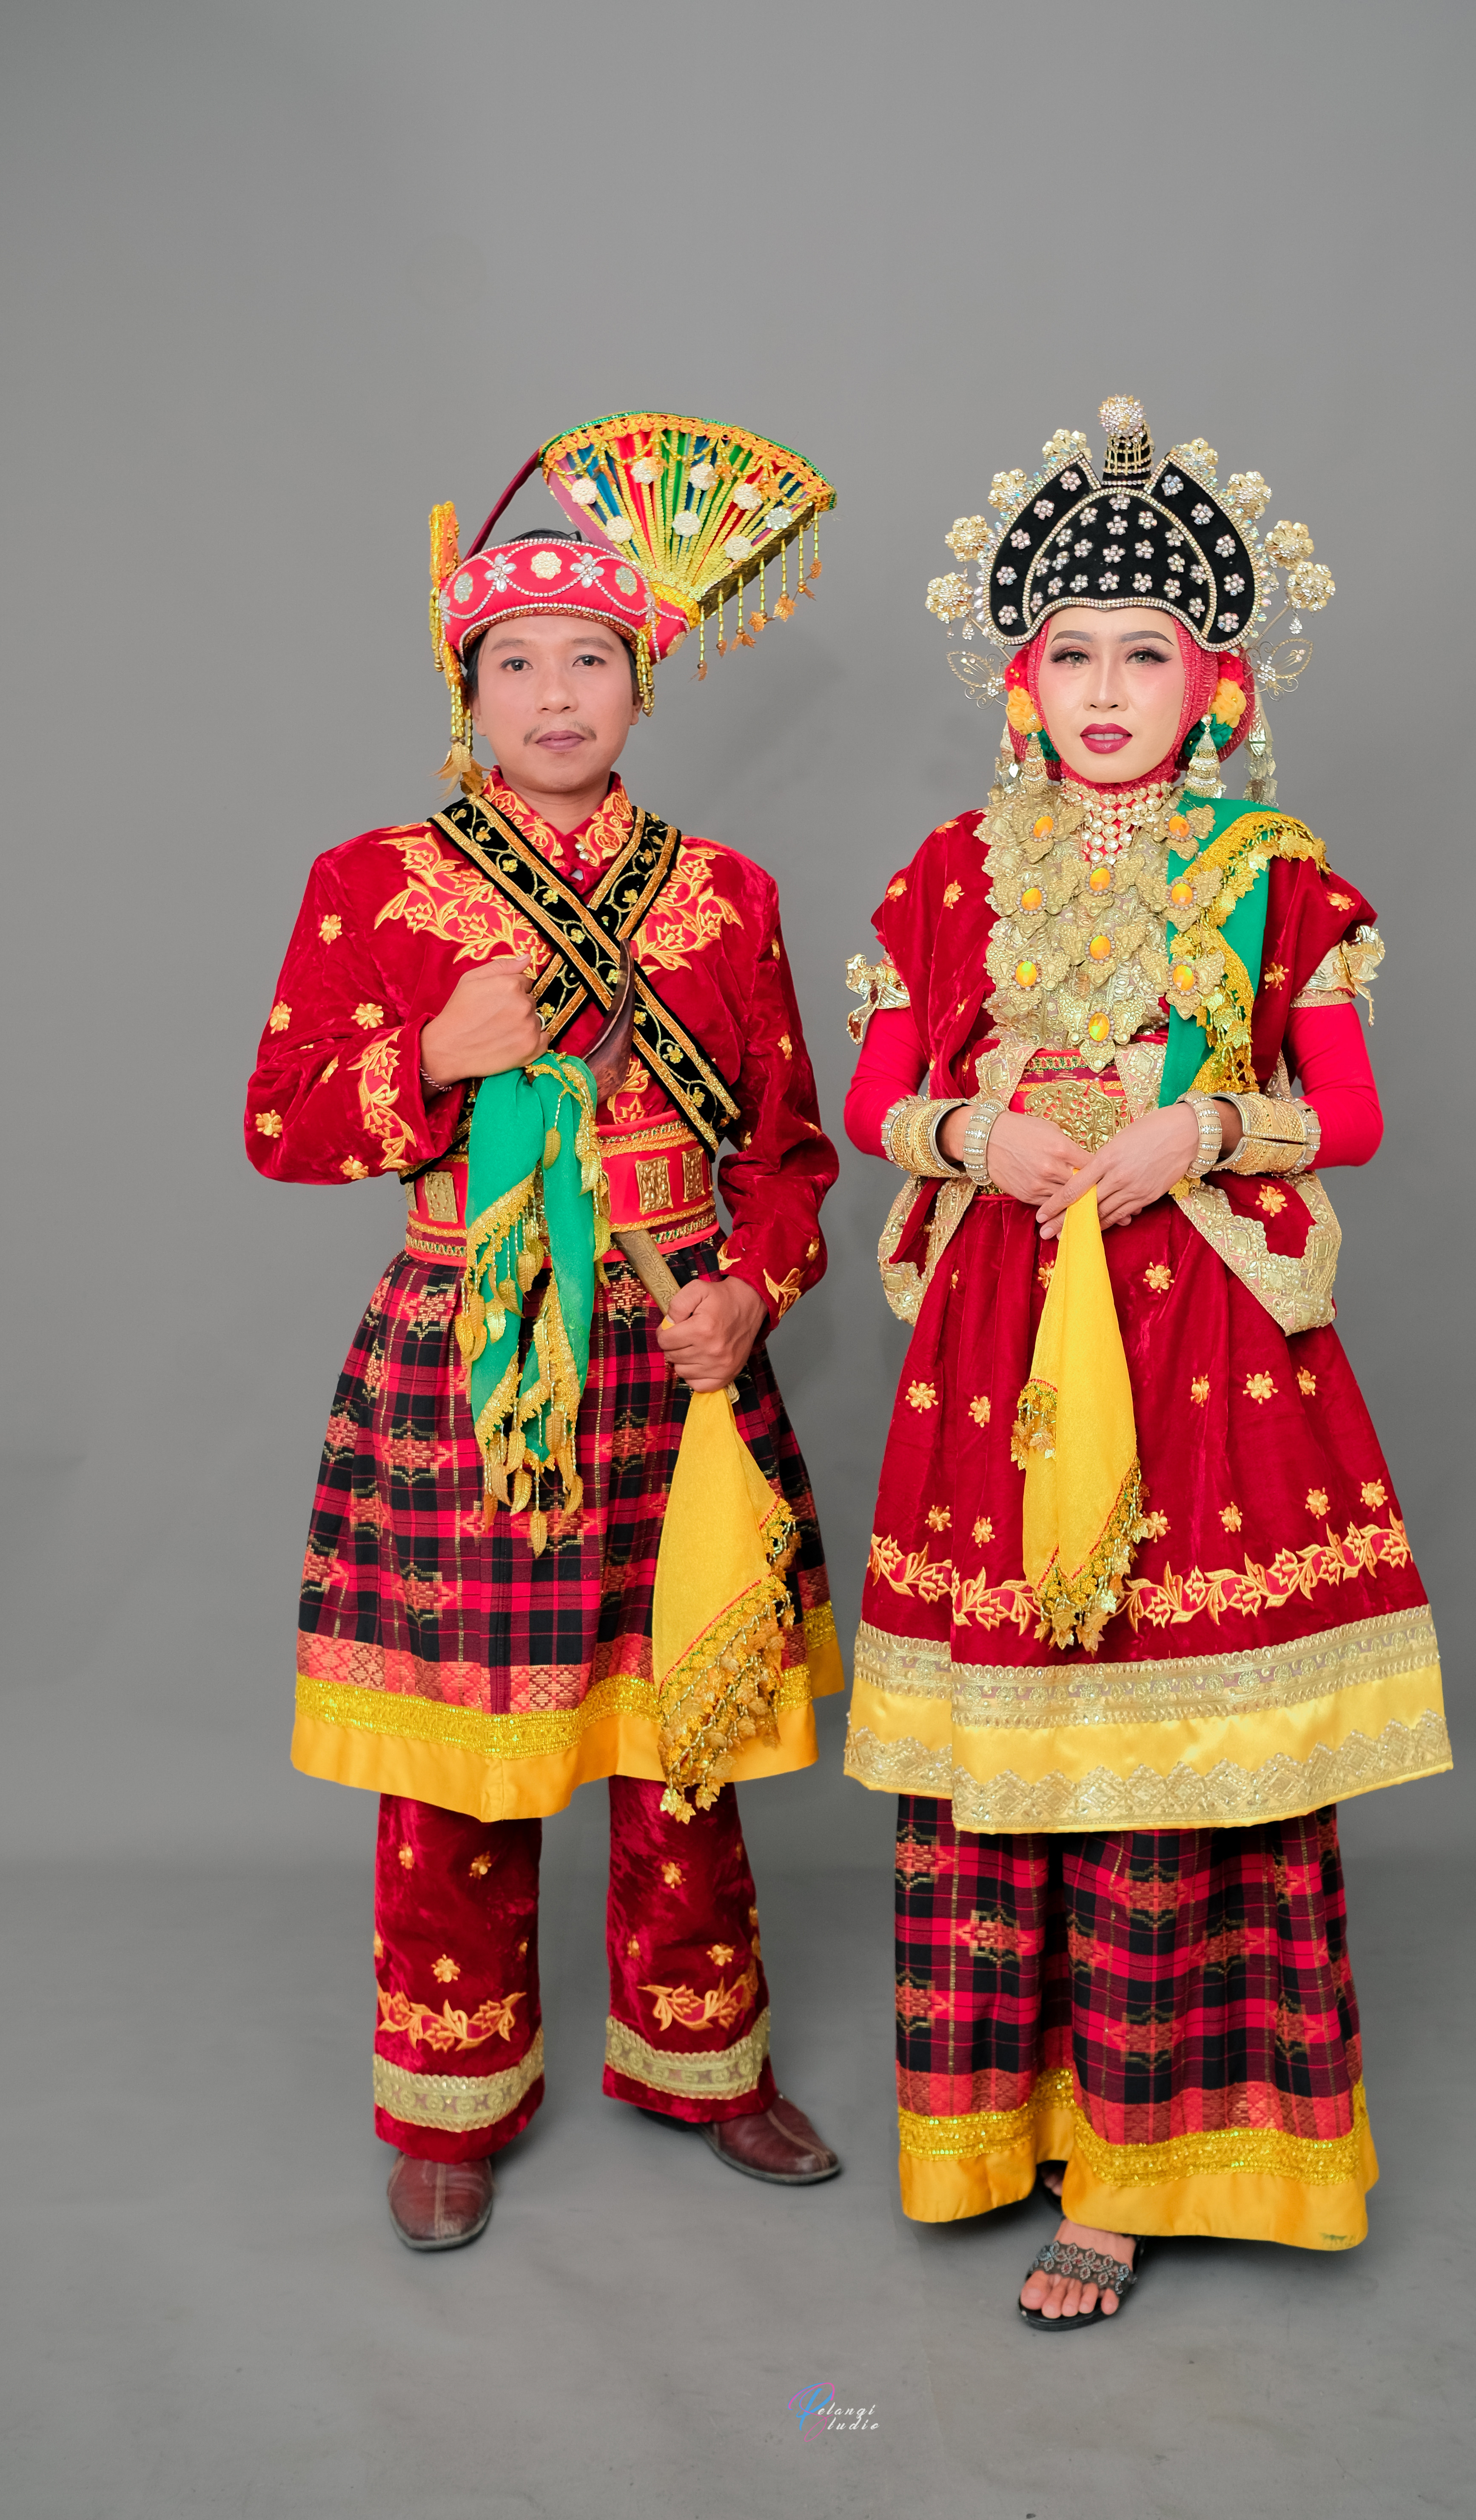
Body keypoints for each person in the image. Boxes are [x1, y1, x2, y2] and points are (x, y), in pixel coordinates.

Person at [841, 394, 1450, 2329]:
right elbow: (875, 1097)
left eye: (1147, 656)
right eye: (1073, 655)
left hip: (1205, 1344)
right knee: (1023, 1722)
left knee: (1179, 1738)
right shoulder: (951, 868)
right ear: (1020, 683)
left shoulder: (1279, 871)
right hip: (1006, 1333)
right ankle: (1001, 2131)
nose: (1107, 692)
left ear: (1218, 684)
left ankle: (1140, 2172)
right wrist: (972, 1131)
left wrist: (1206, 1127)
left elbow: (1352, 1114)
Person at [247, 412, 845, 2248]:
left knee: (688, 1727)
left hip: (672, 1339)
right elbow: (280, 1125)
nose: (557, 694)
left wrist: (752, 1290)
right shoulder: (370, 883)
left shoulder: (728, 892)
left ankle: (706, 2060)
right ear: (468, 691)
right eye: (517, 662)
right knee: (461, 1750)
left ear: (642, 683)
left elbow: (790, 1151)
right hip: (471, 1344)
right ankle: (452, 2096)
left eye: (591, 659)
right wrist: (431, 1055)